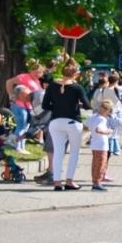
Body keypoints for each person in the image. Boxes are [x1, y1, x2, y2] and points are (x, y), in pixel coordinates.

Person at [42, 61, 90, 191]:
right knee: (74, 152)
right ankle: (69, 181)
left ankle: (57, 182)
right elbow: (87, 105)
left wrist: (58, 107)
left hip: (55, 122)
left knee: (58, 152)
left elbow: (45, 105)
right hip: (72, 122)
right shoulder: (77, 87)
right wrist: (77, 104)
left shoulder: (52, 86)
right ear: (75, 74)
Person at [87, 99, 116, 191]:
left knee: (95, 164)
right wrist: (108, 131)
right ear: (107, 110)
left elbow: (87, 126)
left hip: (94, 143)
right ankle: (97, 183)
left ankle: (95, 181)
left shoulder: (94, 116)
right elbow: (98, 129)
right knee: (101, 164)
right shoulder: (102, 119)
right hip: (101, 144)